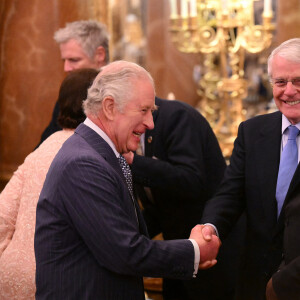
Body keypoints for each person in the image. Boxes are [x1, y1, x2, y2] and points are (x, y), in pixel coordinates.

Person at [34, 60, 220, 299]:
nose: (150, 123)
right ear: (110, 107)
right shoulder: (84, 163)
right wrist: (194, 251)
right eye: (143, 110)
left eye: (151, 112)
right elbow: (124, 252)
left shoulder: (100, 153)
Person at [200, 38, 300, 300]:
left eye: (298, 81)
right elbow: (230, 194)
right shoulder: (252, 132)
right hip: (255, 282)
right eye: (280, 82)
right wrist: (210, 227)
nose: (289, 91)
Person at [123, 97, 243, 300]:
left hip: (211, 250)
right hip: (178, 254)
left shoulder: (177, 117)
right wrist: (127, 241)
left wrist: (133, 162)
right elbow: (160, 207)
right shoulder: (128, 132)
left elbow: (191, 181)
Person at [0, 68, 99, 299]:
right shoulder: (92, 152)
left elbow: (3, 214)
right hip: (59, 281)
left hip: (12, 277)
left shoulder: (44, 147)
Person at [38, 20, 109, 143]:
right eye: (64, 61)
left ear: (99, 55)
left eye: (74, 60)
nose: (66, 68)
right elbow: (46, 143)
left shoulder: (123, 95)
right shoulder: (69, 95)